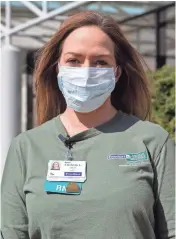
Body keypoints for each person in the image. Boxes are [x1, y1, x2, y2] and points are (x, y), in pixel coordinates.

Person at [1, 11, 175, 239]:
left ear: (116, 72)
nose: (86, 72)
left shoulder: (152, 142)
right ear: (58, 69)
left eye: (100, 62)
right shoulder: (26, 148)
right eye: (74, 60)